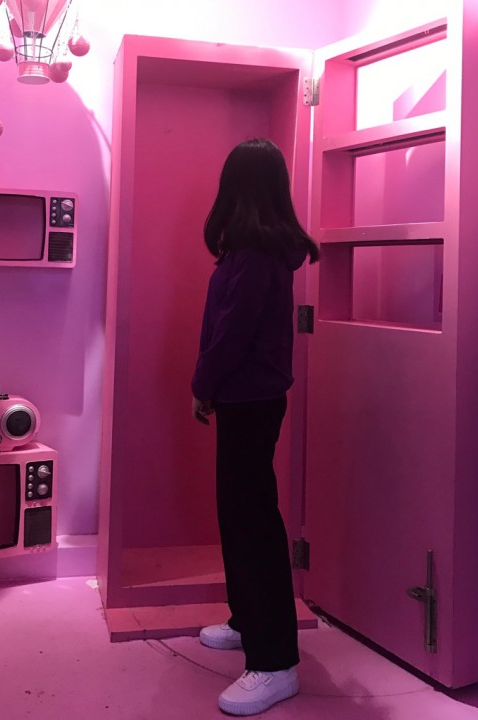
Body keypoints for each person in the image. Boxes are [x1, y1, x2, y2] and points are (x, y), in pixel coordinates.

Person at [191, 138, 319, 716]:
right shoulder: (255, 251)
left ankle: (275, 662)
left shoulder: (257, 257)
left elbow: (231, 334)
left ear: (236, 187)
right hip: (247, 399)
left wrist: (203, 385)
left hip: (249, 399)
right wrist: (210, 385)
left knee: (253, 522)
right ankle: (248, 621)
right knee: (240, 515)